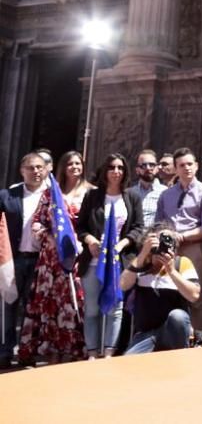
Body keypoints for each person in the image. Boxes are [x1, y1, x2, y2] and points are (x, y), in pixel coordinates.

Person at [16, 152, 89, 365]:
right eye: (70, 163)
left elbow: (93, 222)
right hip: (50, 256)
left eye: (78, 163)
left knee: (73, 302)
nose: (74, 167)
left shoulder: (91, 192)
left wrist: (83, 238)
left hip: (76, 256)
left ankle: (72, 348)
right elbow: (37, 220)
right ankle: (49, 349)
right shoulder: (50, 193)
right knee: (49, 303)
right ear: (62, 167)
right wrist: (44, 232)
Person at [76, 153, 144, 358]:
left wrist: (123, 243)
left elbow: (139, 227)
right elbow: (80, 227)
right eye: (112, 167)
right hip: (94, 262)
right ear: (105, 171)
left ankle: (108, 352)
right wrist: (90, 241)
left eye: (120, 168)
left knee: (116, 308)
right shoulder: (92, 196)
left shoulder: (132, 196)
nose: (116, 172)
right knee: (92, 310)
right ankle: (92, 352)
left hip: (118, 262)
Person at [155, 148, 202, 337]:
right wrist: (164, 233)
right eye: (182, 165)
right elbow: (158, 223)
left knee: (195, 297)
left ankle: (198, 339)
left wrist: (182, 236)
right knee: (167, 293)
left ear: (196, 166)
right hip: (168, 250)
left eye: (190, 164)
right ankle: (169, 338)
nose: (186, 168)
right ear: (176, 169)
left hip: (194, 248)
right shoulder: (166, 195)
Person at [121, 224, 201, 354]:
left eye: (169, 240)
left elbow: (194, 295)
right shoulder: (141, 264)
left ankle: (180, 356)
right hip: (146, 334)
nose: (164, 245)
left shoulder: (182, 263)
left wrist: (172, 271)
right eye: (161, 240)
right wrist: (143, 253)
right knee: (129, 363)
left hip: (172, 332)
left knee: (178, 317)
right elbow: (123, 285)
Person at [0, 153, 48, 368]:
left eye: (39, 167)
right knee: (7, 306)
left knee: (33, 308)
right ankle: (4, 351)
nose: (36, 171)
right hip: (12, 260)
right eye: (31, 168)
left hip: (39, 261)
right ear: (22, 171)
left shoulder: (52, 197)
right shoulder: (7, 196)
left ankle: (28, 351)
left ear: (46, 169)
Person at [128, 150, 166, 226]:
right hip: (134, 236)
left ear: (157, 168)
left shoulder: (166, 192)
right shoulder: (129, 194)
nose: (148, 168)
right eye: (143, 165)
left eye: (151, 165)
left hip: (155, 235)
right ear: (137, 170)